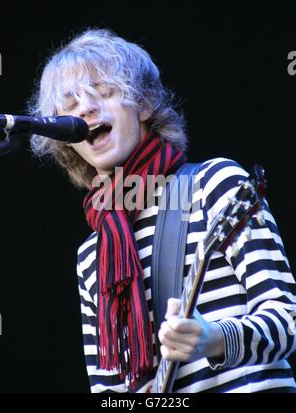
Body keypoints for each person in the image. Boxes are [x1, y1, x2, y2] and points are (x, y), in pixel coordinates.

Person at [29, 28, 296, 393]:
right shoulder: (91, 256)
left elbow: (288, 319)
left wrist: (215, 338)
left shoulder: (214, 184)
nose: (86, 108)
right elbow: (109, 391)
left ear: (145, 103)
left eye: (103, 92)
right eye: (71, 104)